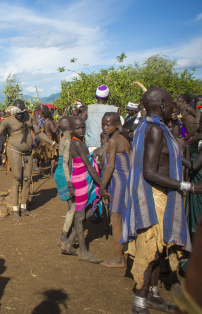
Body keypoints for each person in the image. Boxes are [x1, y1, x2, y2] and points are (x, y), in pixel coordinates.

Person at [121, 88, 196, 314]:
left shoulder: (153, 127)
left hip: (159, 194)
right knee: (149, 250)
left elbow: (184, 162)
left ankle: (153, 295)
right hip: (153, 197)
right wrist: (187, 186)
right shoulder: (154, 130)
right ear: (162, 103)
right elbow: (150, 173)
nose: (175, 108)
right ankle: (139, 303)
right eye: (172, 103)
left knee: (157, 250)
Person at [0, 100, 58, 220]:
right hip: (14, 150)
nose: (20, 115)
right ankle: (15, 210)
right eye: (18, 113)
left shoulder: (30, 117)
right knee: (17, 178)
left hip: (28, 151)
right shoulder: (7, 121)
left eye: (22, 112)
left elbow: (39, 133)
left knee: (27, 178)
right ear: (13, 111)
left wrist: (53, 143)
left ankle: (23, 207)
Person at [60, 116, 102, 262]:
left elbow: (72, 164)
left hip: (82, 180)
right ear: (71, 130)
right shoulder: (76, 144)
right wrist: (101, 184)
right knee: (80, 216)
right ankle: (83, 252)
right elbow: (89, 166)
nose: (82, 130)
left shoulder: (79, 142)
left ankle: (69, 243)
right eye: (78, 128)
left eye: (83, 127)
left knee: (89, 211)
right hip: (82, 181)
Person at [98, 112, 131, 268]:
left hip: (118, 185)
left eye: (107, 124)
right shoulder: (124, 139)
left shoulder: (112, 141)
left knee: (116, 220)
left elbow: (110, 166)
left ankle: (118, 258)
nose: (105, 127)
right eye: (103, 124)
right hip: (128, 183)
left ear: (117, 125)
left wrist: (102, 186)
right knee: (125, 219)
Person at [54, 117, 74, 249]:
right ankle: (63, 236)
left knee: (71, 206)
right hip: (64, 174)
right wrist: (70, 182)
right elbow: (66, 163)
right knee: (73, 207)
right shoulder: (68, 141)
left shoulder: (64, 138)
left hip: (60, 172)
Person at [79, 85, 120, 153]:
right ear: (108, 97)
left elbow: (79, 123)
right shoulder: (114, 110)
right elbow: (119, 128)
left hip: (91, 145)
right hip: (109, 145)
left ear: (96, 96)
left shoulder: (87, 108)